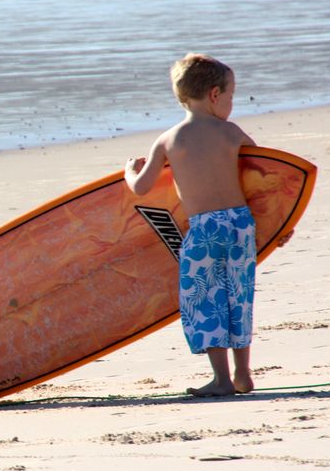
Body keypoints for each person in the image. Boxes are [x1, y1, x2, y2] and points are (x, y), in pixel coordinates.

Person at [123, 53, 289, 397]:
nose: (231, 103)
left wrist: (128, 171)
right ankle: (244, 374)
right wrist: (280, 225)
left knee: (206, 300)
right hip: (241, 225)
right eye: (231, 96)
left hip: (204, 230)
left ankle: (221, 379)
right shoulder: (232, 133)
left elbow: (140, 188)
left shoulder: (169, 140)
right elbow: (267, 180)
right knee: (238, 296)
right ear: (215, 95)